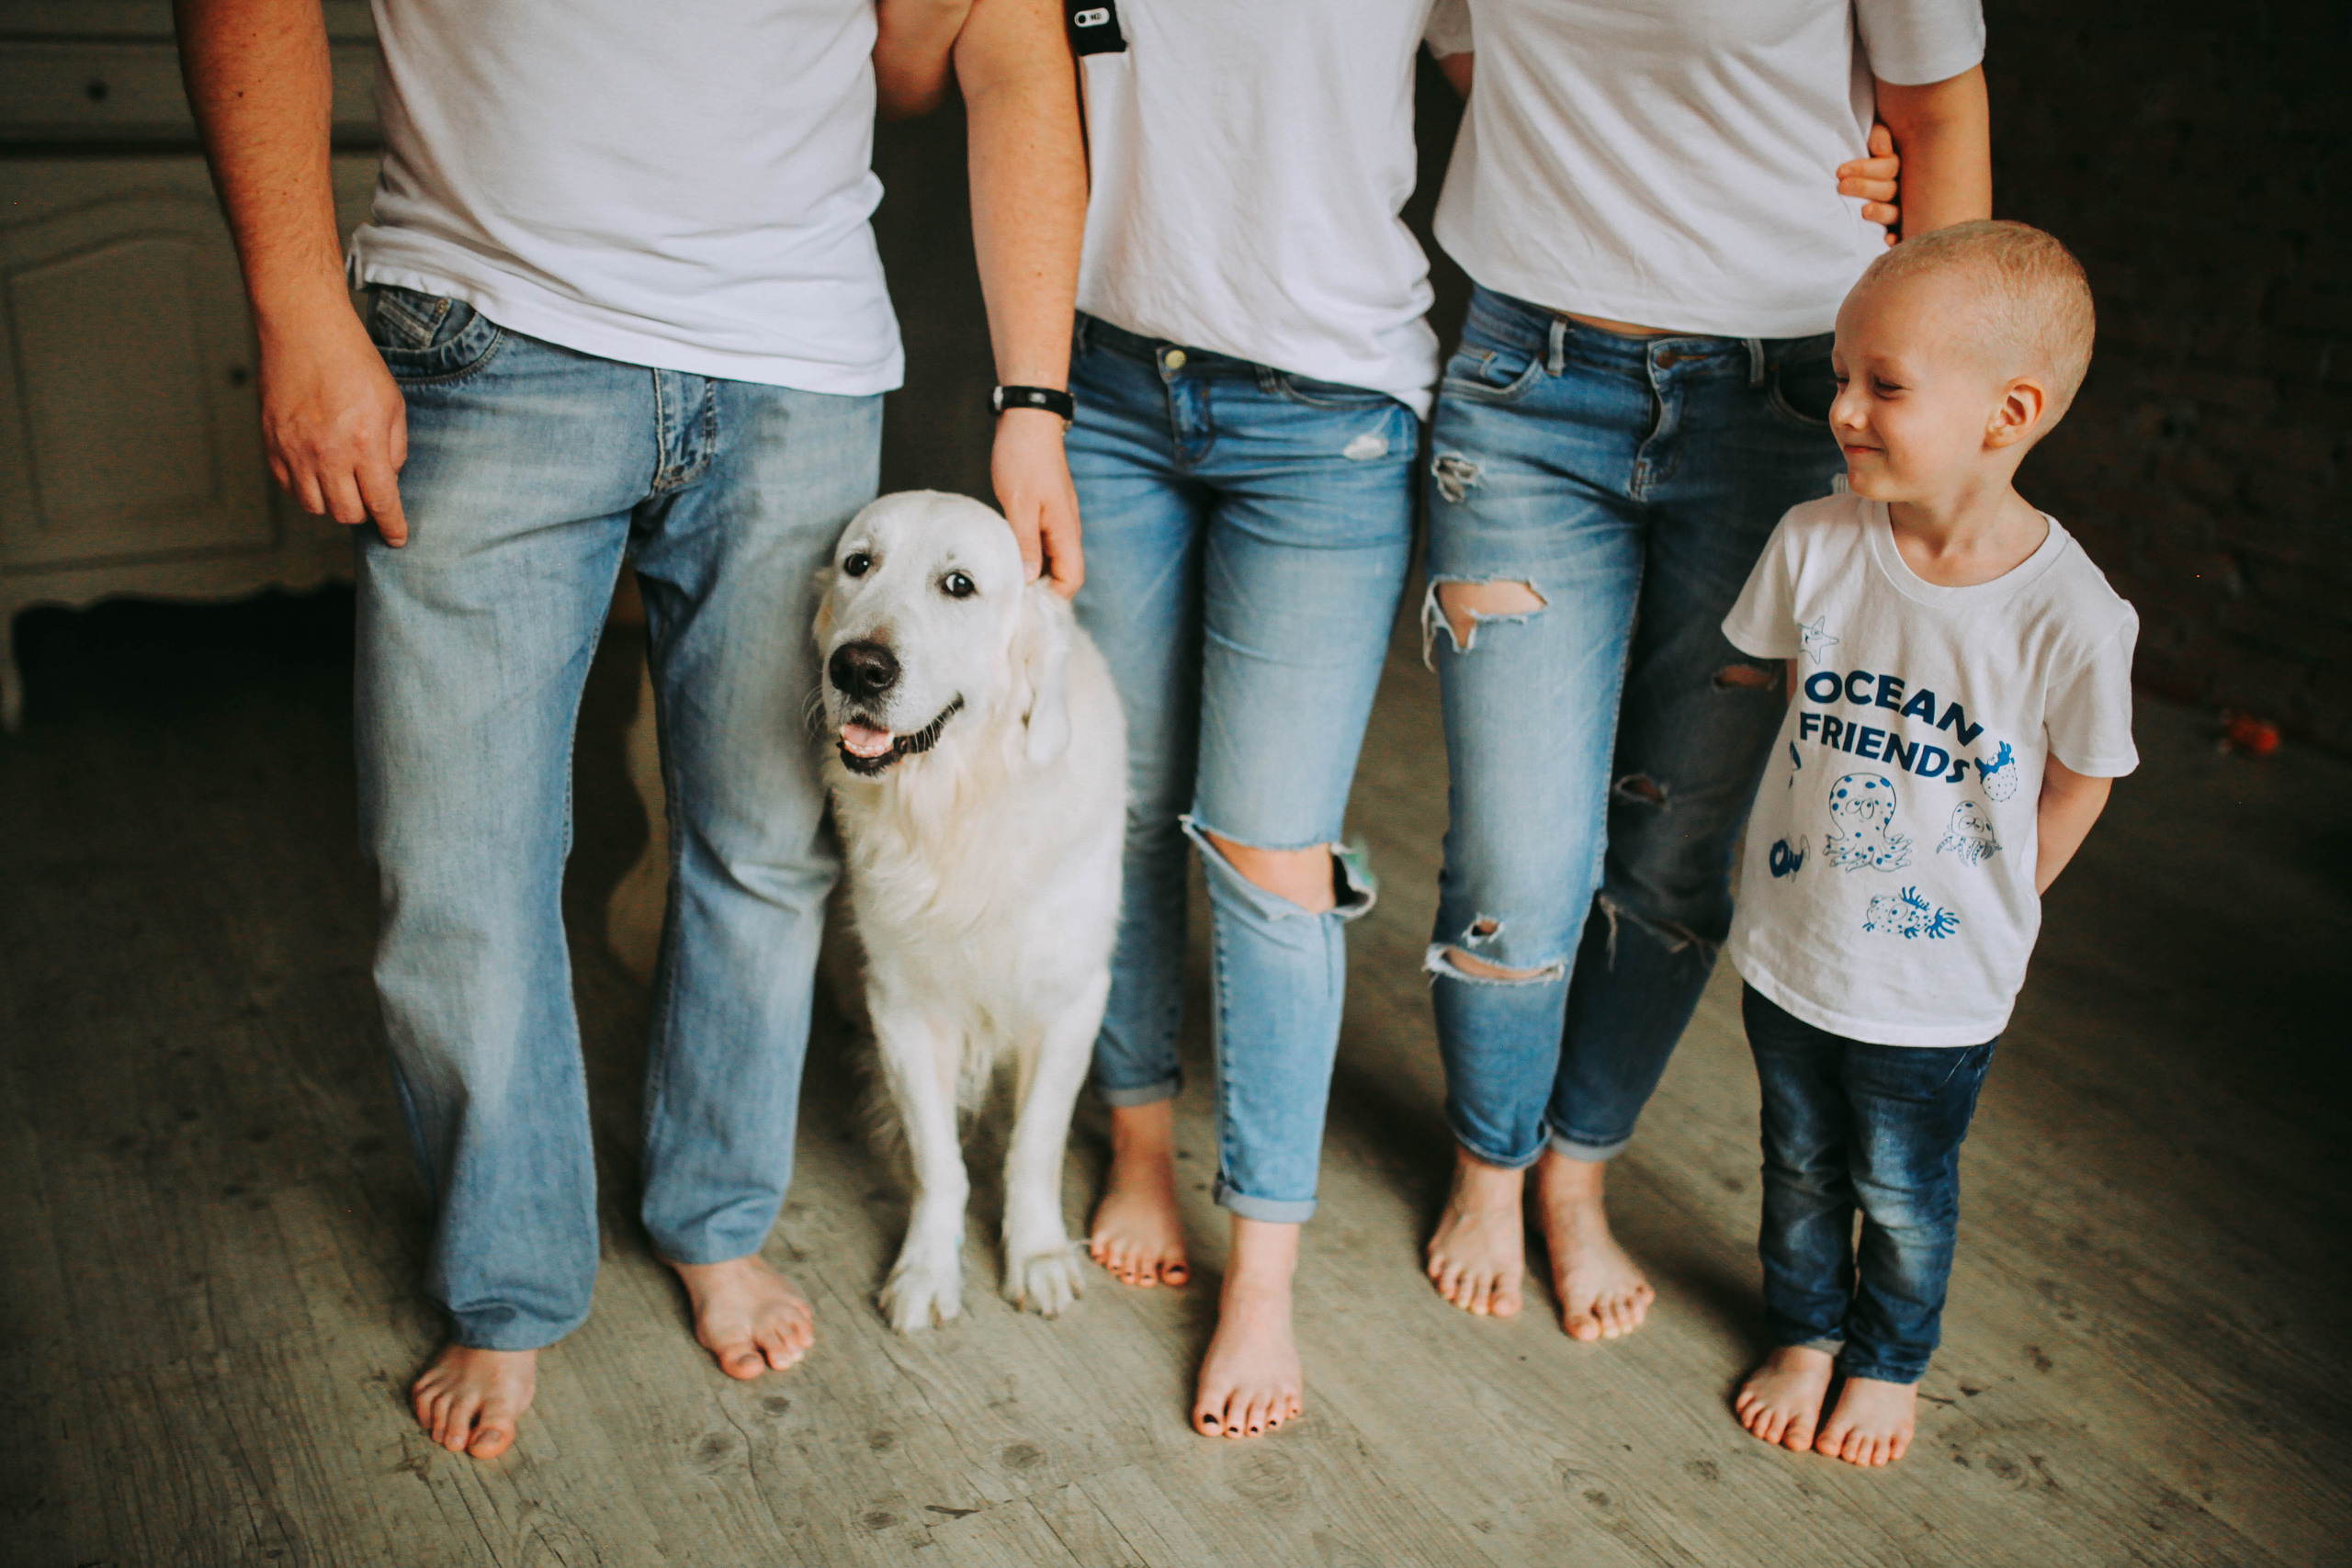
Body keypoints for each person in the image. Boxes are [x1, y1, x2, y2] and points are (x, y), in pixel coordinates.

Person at [177, 0, 1085, 1460]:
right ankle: (510, 1281)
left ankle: (713, 1217)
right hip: (483, 326)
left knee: (768, 845)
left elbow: (991, 49)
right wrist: (295, 305)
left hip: (798, 355)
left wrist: (1033, 397)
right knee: (455, 868)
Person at [1417, 0, 1995, 1342]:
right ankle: (1486, 1165)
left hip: (1788, 399)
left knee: (1676, 848)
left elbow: (1944, 111)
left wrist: (1940, 412)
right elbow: (1468, 46)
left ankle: (1578, 1168)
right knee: (1518, 857)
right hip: (1527, 384)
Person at [1723, 220, 2133, 1465]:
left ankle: (1890, 1359)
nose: (1843, 407)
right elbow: (1787, 687)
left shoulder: (2071, 615)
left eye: (1883, 384)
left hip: (1938, 988)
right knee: (1796, 1163)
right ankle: (1803, 1331)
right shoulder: (1814, 542)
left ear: (2009, 412)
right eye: (1841, 376)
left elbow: (2083, 780)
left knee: (1901, 1189)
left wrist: (2003, 904)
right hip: (1794, 948)